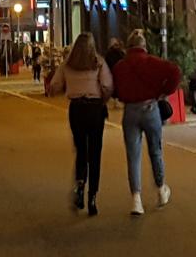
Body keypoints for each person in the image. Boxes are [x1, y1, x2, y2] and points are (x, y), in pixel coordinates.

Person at [112, 29, 180, 216]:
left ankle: (136, 199)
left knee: (133, 156)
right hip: (151, 108)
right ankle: (160, 189)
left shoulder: (120, 66)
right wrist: (164, 92)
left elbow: (115, 88)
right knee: (155, 150)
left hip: (130, 111)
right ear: (143, 46)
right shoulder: (152, 62)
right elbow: (175, 71)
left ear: (128, 46)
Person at [49, 32, 113, 217]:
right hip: (94, 110)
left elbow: (55, 86)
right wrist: (103, 99)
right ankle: (92, 197)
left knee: (81, 151)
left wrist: (66, 88)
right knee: (95, 153)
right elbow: (108, 86)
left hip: (76, 110)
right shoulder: (98, 62)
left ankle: (80, 184)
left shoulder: (68, 64)